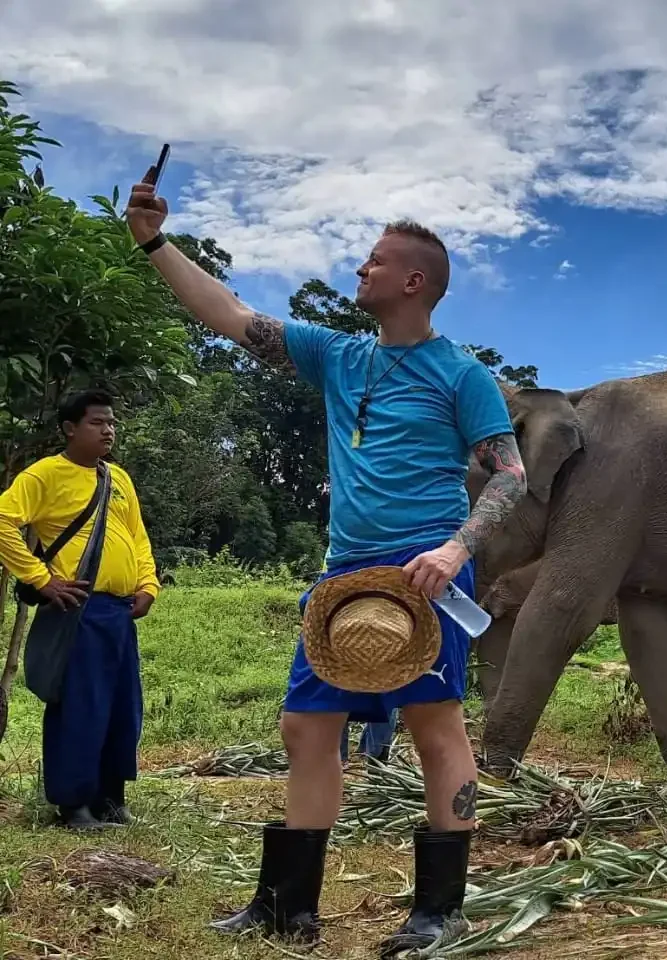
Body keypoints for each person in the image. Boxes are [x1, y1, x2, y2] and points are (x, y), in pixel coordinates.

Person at [124, 167, 527, 954]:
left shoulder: (461, 373)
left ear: (413, 282)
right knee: (306, 728)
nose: (360, 268)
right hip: (343, 574)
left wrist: (456, 548)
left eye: (375, 260)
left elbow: (510, 474)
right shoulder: (338, 356)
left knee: (436, 727)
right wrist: (154, 243)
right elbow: (230, 315)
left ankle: (440, 910)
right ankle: (287, 907)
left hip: (424, 573)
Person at [0, 390, 159, 829]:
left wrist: (148, 584)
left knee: (122, 707)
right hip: (77, 611)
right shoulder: (46, 474)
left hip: (119, 613)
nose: (108, 431)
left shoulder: (118, 478)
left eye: (111, 423)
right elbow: (3, 520)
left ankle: (112, 797)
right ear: (70, 428)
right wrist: (40, 578)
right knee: (81, 706)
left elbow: (138, 537)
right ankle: (74, 805)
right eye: (97, 423)